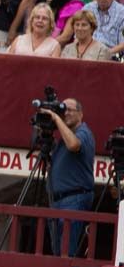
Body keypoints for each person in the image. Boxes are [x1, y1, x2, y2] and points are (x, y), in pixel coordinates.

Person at [40, 97, 94, 257]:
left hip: (74, 198)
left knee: (66, 254)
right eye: (64, 110)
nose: (67, 113)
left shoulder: (83, 131)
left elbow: (74, 145)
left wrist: (56, 118)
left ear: (81, 114)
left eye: (71, 109)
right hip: (58, 200)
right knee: (58, 253)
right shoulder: (63, 138)